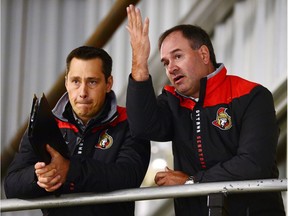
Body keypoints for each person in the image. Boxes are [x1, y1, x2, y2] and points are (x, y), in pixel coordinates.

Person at [125, 5, 285, 216]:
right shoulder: (172, 101)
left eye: (178, 56)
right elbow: (141, 126)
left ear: (203, 54)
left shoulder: (252, 95)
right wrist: (139, 61)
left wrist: (191, 182)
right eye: (165, 62)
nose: (170, 68)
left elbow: (254, 163)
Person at [4, 46, 151, 216]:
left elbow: (129, 176)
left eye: (92, 82)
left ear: (108, 83)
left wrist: (70, 170)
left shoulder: (129, 122)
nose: (82, 92)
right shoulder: (45, 124)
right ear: (66, 83)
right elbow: (11, 185)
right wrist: (39, 177)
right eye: (76, 81)